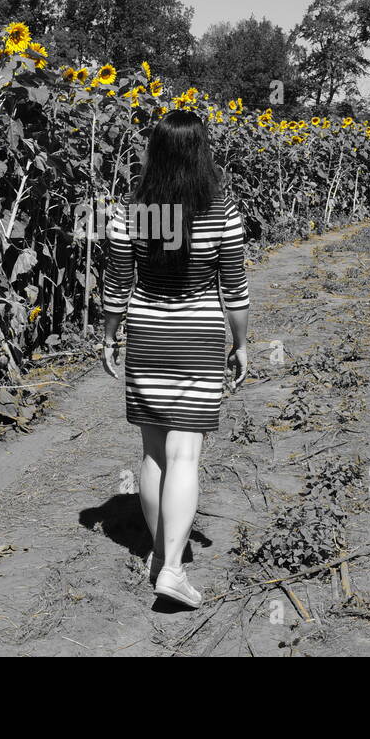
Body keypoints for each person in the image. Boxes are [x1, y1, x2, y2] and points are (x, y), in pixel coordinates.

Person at [100, 109, 250, 608]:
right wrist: (241, 343)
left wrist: (109, 335)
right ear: (201, 153)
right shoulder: (221, 212)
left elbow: (118, 285)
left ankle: (163, 554)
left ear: (155, 152)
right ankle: (172, 568)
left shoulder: (130, 214)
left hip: (147, 337)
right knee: (186, 454)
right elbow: (236, 290)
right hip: (200, 339)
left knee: (153, 455)